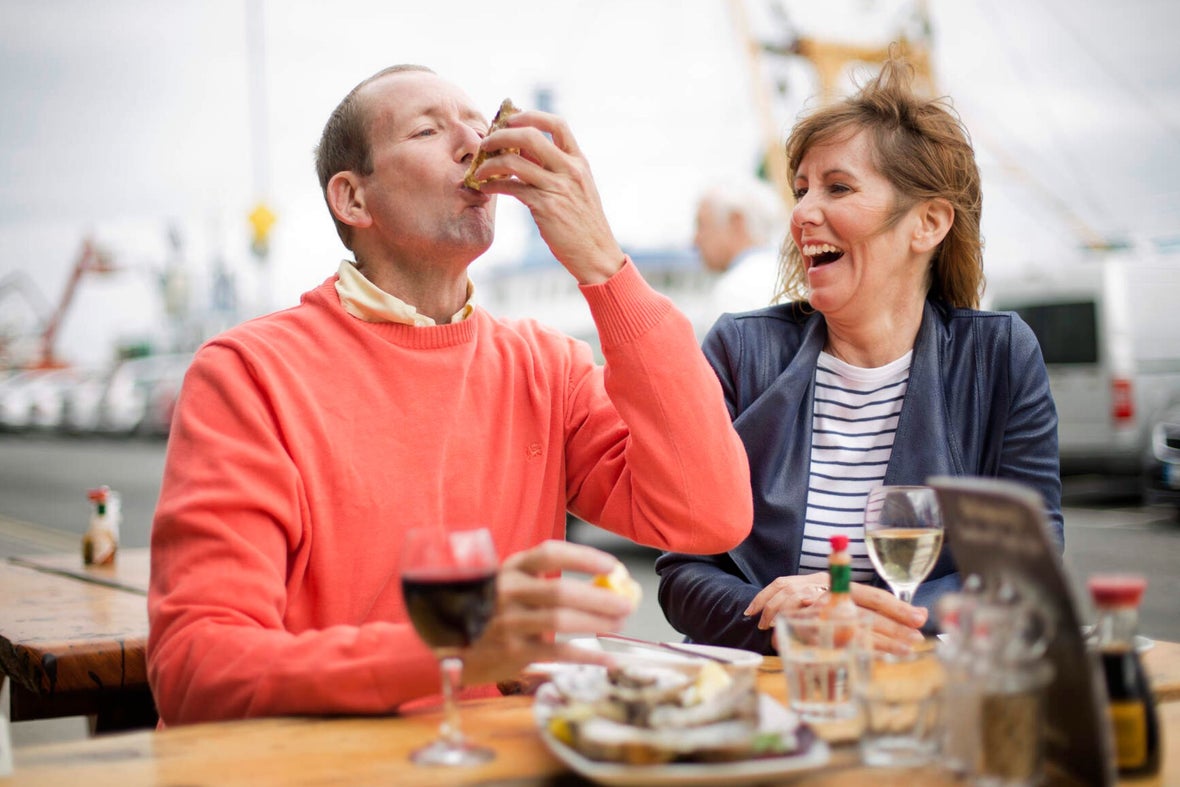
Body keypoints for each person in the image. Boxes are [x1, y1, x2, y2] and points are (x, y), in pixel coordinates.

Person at [146, 64, 753, 726]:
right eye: (430, 129)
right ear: (352, 200)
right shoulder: (248, 374)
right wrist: (454, 652)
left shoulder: (545, 365)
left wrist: (605, 266)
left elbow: (711, 514)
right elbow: (196, 666)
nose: (474, 145)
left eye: (479, 125)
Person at [656, 57, 1064, 656]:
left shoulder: (997, 355)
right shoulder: (740, 350)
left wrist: (860, 608)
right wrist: (793, 625)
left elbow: (1030, 562)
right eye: (800, 191)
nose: (800, 214)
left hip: (920, 679)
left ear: (928, 222)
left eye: (837, 187)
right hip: (760, 686)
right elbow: (683, 570)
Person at [694, 177, 786, 319]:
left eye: (702, 225)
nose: (695, 240)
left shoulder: (734, 291)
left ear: (736, 221)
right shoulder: (793, 276)